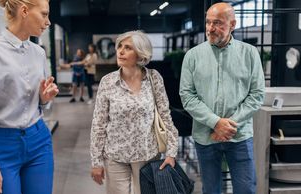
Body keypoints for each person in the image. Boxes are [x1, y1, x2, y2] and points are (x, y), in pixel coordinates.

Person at [0, 0, 58, 193]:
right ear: (24, 11)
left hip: (38, 141)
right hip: (1, 146)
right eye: (44, 14)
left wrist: (44, 97)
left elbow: (37, 104)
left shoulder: (39, 53)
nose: (48, 22)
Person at [179, 2, 265, 194]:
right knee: (211, 190)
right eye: (208, 22)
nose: (210, 28)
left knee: (246, 189)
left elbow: (257, 95)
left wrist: (228, 124)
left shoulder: (249, 54)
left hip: (240, 135)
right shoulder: (192, 56)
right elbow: (187, 96)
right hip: (206, 135)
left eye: (217, 23)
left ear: (232, 24)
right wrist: (215, 122)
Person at [90, 30, 179, 194]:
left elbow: (166, 116)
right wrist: (96, 161)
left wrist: (171, 152)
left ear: (140, 54)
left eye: (128, 48)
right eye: (120, 47)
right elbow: (99, 123)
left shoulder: (154, 78)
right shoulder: (108, 81)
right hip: (115, 155)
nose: (121, 51)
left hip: (147, 154)